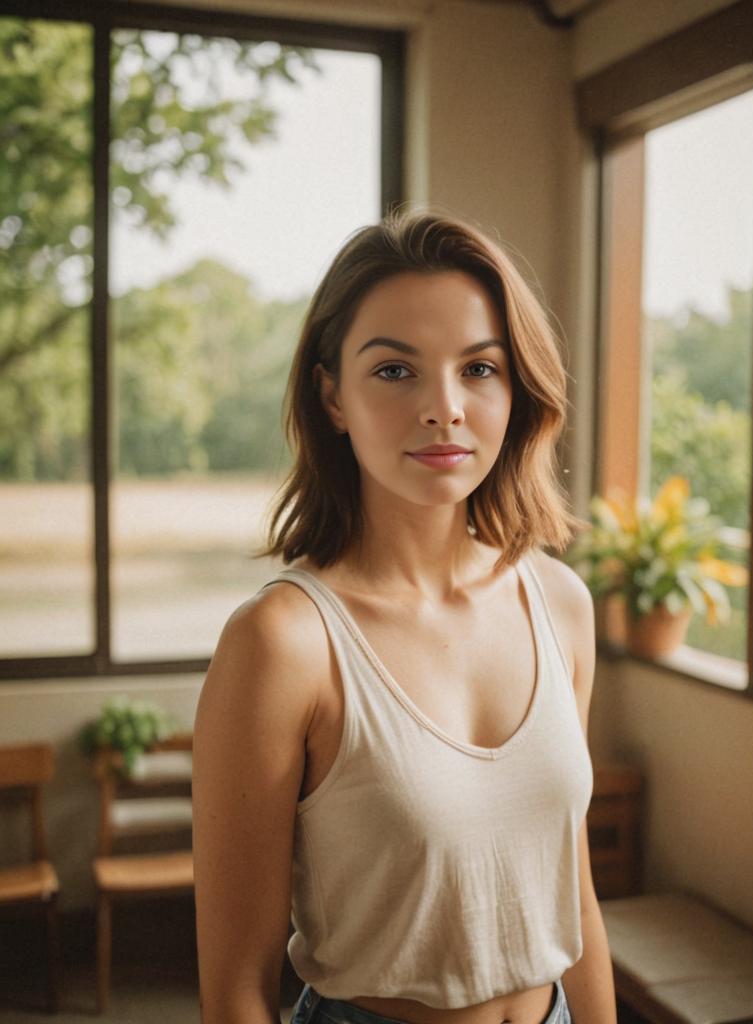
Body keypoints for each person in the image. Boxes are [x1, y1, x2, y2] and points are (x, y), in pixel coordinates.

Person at [192, 209, 617, 1024]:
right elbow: (237, 990)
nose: (444, 408)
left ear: (514, 387)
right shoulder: (284, 645)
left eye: (480, 369)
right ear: (333, 397)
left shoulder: (561, 604)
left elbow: (575, 900)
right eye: (395, 371)